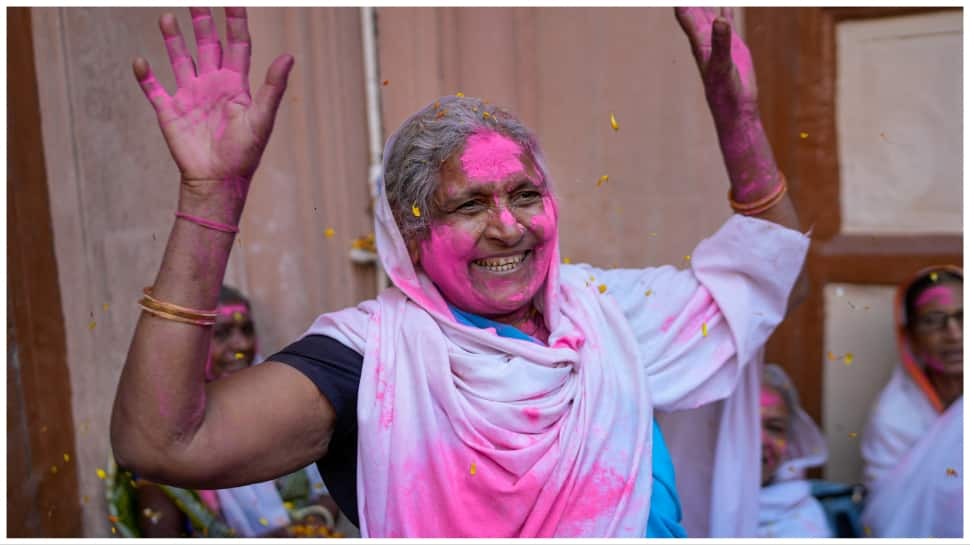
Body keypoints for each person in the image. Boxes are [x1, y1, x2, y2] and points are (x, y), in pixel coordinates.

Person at [110, 6, 810, 537]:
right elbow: (163, 442)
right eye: (470, 203)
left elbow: (768, 285)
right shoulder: (368, 362)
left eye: (526, 195)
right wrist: (210, 202)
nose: (509, 226)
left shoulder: (608, 314)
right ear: (411, 238)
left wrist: (739, 121)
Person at [117, 287, 340, 538]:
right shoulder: (160, 444)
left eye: (246, 330)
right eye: (222, 333)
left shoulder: (282, 400)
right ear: (188, 348)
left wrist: (317, 519)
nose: (242, 345)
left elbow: (326, 487)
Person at [860, 266, 962, 538]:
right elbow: (886, 514)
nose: (954, 334)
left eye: (964, 317)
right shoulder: (893, 416)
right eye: (933, 320)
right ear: (911, 337)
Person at [757, 364, 831, 538]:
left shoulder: (803, 516)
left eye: (774, 428)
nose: (761, 441)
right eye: (747, 426)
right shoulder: (691, 504)